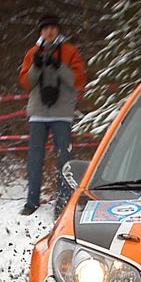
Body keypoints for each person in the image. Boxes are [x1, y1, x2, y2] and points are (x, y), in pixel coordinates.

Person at [18, 13, 86, 217]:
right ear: (41, 31)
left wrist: (59, 66)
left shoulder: (70, 51)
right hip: (38, 112)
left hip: (62, 112)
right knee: (34, 158)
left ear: (58, 30)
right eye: (45, 28)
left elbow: (78, 80)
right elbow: (26, 83)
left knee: (64, 158)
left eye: (53, 28)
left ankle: (64, 200)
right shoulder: (32, 53)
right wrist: (36, 66)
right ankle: (32, 201)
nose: (49, 32)